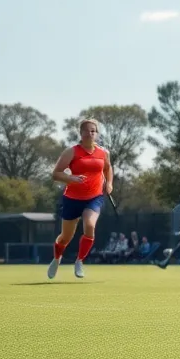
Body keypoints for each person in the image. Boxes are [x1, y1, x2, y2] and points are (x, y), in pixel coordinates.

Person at [49, 119, 112, 279]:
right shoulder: (71, 152)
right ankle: (56, 258)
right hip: (72, 199)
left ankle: (79, 261)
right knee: (65, 237)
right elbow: (56, 174)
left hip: (94, 197)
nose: (90, 133)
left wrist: (109, 183)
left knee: (90, 225)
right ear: (81, 133)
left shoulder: (103, 153)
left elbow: (108, 168)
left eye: (93, 131)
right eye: (87, 130)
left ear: (97, 134)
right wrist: (71, 178)